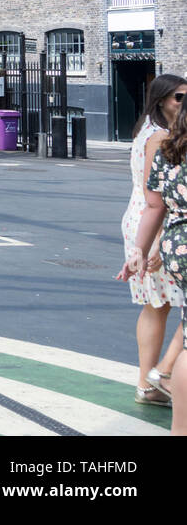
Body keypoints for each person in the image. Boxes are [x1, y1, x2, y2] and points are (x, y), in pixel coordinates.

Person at [116, 74, 186, 406]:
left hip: (142, 218)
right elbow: (154, 196)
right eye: (179, 98)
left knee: (157, 304)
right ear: (160, 100)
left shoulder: (148, 130)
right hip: (154, 221)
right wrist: (156, 242)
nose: (183, 104)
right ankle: (158, 376)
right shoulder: (159, 136)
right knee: (160, 304)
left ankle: (150, 382)